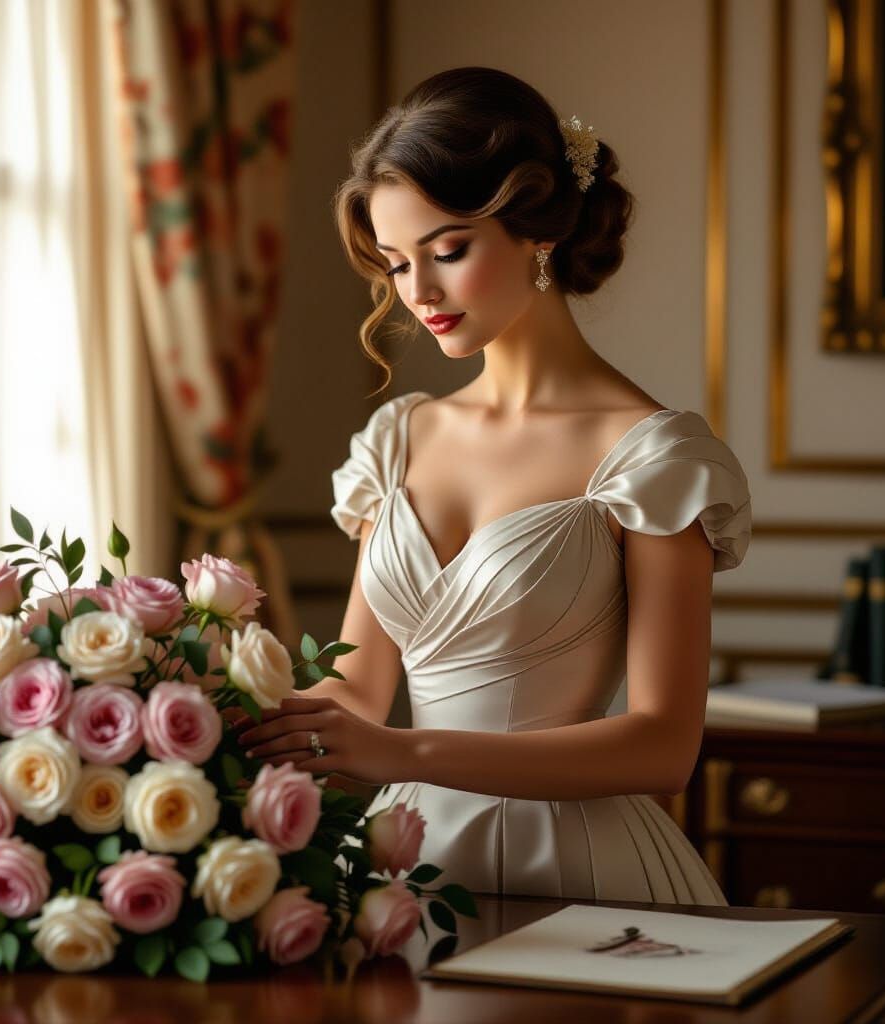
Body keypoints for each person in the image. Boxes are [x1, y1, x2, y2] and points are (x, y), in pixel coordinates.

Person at [235, 66, 752, 904]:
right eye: (397, 264)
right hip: (399, 862)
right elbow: (357, 687)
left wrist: (408, 754)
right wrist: (207, 716)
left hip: (581, 870)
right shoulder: (399, 439)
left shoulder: (651, 459)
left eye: (447, 251)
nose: (419, 294)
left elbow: (665, 747)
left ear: (536, 229)